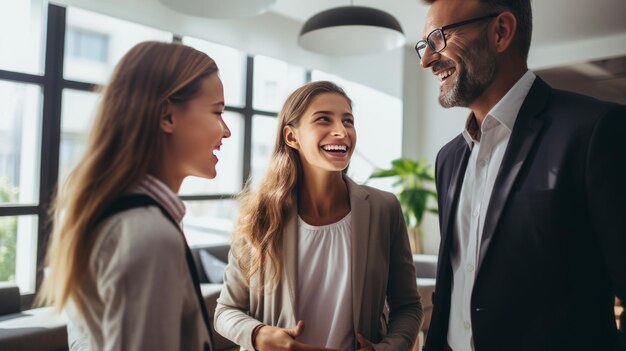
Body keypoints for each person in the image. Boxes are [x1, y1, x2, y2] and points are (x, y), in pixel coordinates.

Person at [415, 0, 626, 350]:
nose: (426, 60)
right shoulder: (448, 159)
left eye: (439, 38)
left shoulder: (595, 131)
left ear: (501, 31)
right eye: (424, 45)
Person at [38, 41, 231, 350]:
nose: (226, 131)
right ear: (167, 116)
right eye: (217, 112)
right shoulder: (148, 234)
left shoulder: (114, 216)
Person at [214, 81, 423, 351]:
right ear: (291, 137)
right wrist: (259, 335)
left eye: (347, 121)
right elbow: (226, 311)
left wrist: (386, 349)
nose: (341, 131)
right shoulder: (260, 215)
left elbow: (408, 306)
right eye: (324, 119)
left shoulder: (384, 209)